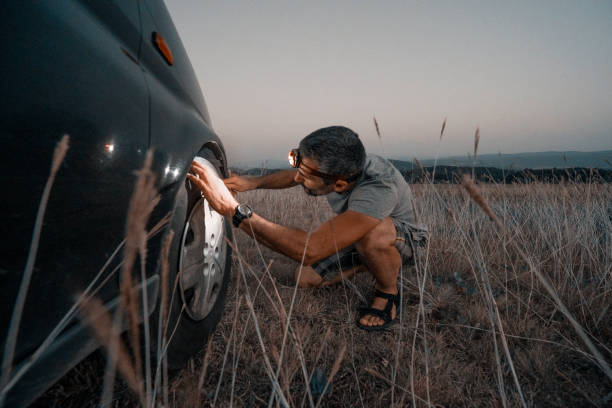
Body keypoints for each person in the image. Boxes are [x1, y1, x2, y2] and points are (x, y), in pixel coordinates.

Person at [187, 126, 425, 331]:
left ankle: (388, 292)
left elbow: (310, 249)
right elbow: (296, 176)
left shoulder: (377, 189)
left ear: (339, 183)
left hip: (403, 239)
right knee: (305, 278)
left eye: (304, 175)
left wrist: (234, 211)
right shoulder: (340, 166)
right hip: (358, 230)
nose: (297, 179)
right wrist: (253, 183)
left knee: (373, 235)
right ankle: (367, 259)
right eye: (297, 164)